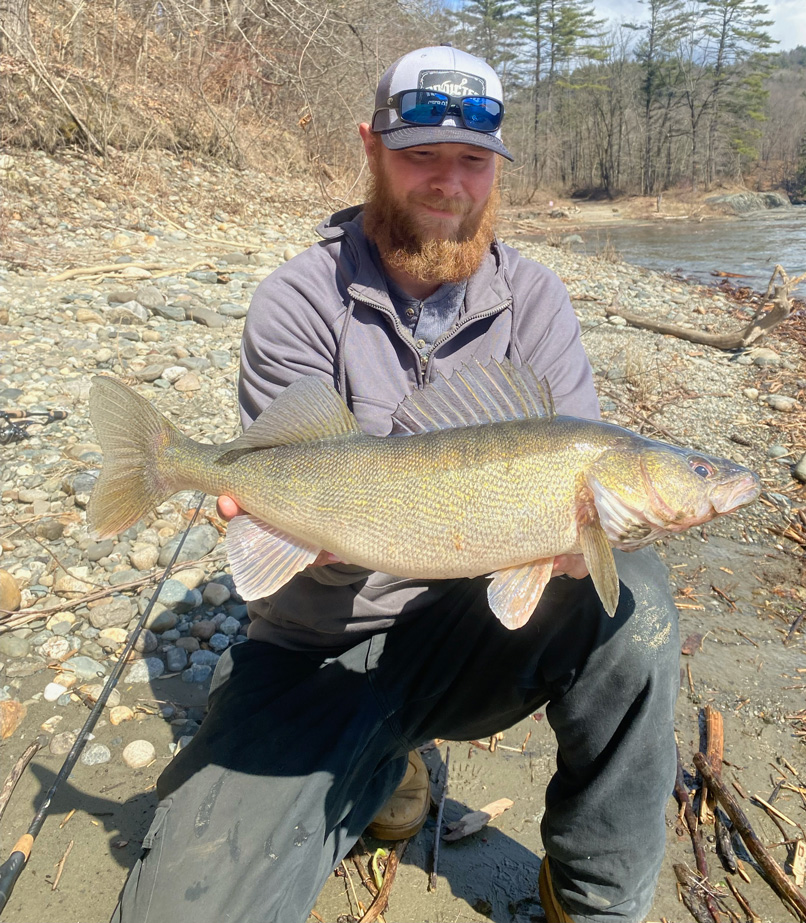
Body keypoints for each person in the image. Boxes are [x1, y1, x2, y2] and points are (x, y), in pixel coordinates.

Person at [112, 45, 679, 923]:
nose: (448, 183)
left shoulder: (537, 303)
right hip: (321, 640)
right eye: (422, 155)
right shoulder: (297, 300)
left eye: (473, 161)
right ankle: (384, 760)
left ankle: (593, 902)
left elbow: (567, 527)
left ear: (497, 167)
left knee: (632, 598)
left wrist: (577, 548)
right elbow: (299, 504)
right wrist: (284, 522)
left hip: (467, 636)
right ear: (371, 147)